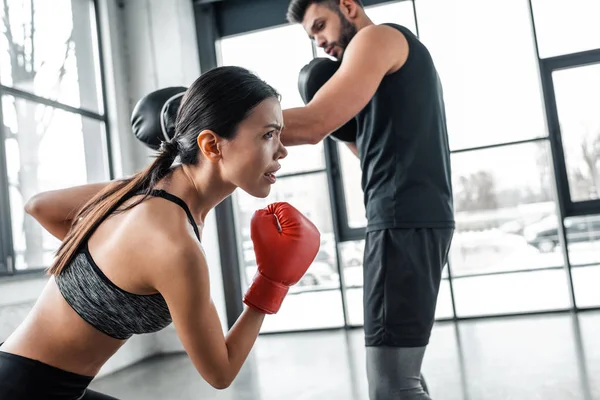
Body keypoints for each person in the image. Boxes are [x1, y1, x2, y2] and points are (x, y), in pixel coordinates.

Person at [0, 66, 321, 400]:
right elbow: (220, 372)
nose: (282, 150)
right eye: (268, 135)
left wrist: (108, 266)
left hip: (30, 375)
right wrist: (271, 284)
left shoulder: (143, 195)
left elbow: (40, 206)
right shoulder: (174, 243)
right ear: (211, 145)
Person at [284, 1, 455, 398]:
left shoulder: (378, 38)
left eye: (321, 26)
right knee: (403, 375)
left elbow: (311, 124)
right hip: (410, 216)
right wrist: (343, 131)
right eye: (313, 36)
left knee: (391, 386)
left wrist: (215, 117)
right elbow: (373, 153)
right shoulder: (384, 67)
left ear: (347, 6)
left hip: (401, 219)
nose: (320, 41)